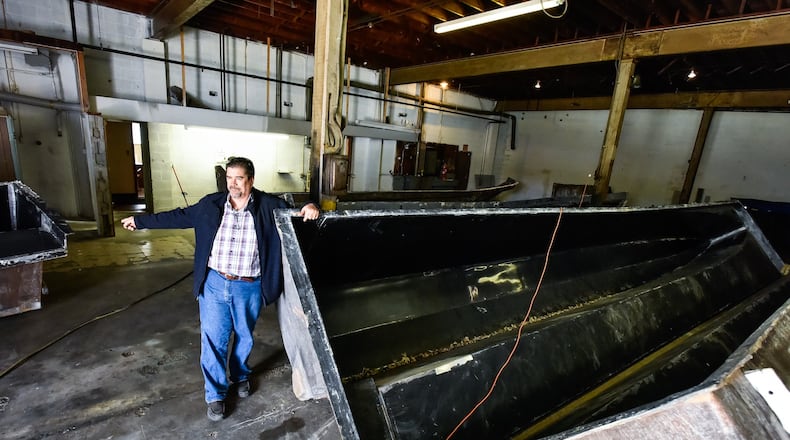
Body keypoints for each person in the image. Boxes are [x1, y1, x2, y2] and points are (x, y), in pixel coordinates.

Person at [120, 156, 319, 421]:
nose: (233, 184)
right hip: (214, 283)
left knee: (245, 336)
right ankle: (215, 394)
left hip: (249, 285)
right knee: (213, 339)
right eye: (229, 178)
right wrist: (141, 221)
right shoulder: (210, 205)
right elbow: (179, 216)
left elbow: (295, 212)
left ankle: (239, 375)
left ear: (251, 179)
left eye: (239, 178)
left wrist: (310, 206)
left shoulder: (269, 206)